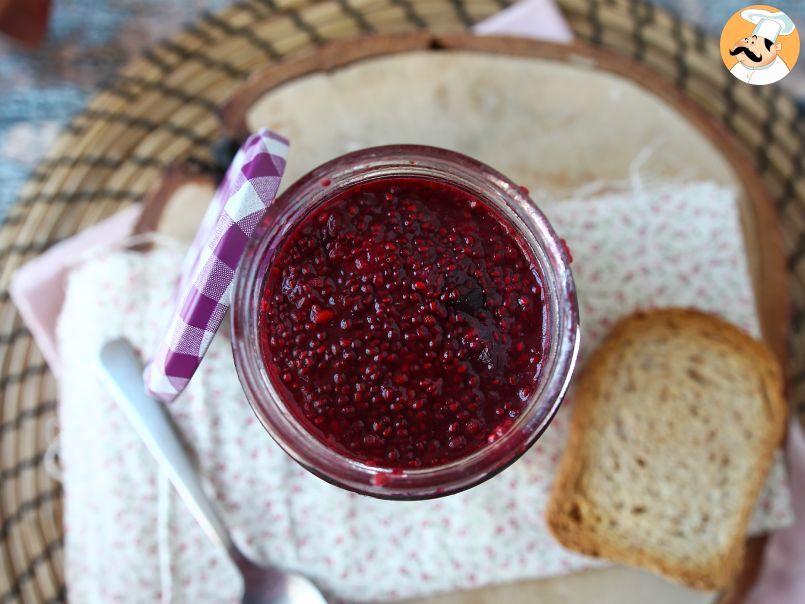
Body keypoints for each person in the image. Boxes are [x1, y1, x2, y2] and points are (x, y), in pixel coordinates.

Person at [729, 8, 796, 85]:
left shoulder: (778, 71)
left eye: (753, 43)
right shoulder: (738, 66)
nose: (748, 47)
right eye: (747, 40)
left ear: (775, 47)